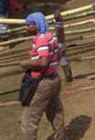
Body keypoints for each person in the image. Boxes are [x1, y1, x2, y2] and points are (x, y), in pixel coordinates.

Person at [20, 12, 64, 140]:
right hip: (54, 79)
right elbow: (59, 53)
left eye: (28, 25)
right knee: (55, 112)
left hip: (43, 83)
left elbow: (43, 62)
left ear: (35, 25)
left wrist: (27, 63)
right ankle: (60, 137)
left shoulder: (41, 39)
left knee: (30, 118)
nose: (26, 28)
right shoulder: (50, 36)